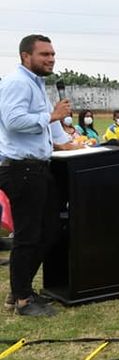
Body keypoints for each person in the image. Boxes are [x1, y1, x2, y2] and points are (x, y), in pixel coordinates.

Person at [0, 34, 73, 316]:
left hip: (38, 167)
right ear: (25, 56)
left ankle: (20, 289)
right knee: (28, 234)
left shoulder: (37, 84)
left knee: (50, 229)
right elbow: (14, 121)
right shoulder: (17, 83)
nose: (51, 59)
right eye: (44, 54)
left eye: (52, 54)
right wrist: (52, 116)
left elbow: (47, 125)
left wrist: (66, 142)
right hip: (21, 169)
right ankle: (22, 300)